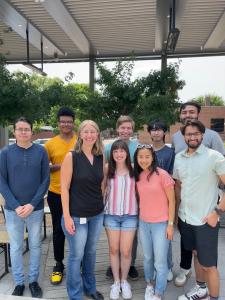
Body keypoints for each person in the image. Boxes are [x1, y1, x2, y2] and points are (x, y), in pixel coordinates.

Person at [172, 101, 225, 287]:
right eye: (188, 134)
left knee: (208, 261)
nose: (192, 137)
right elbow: (179, 183)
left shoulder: (213, 147)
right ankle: (197, 284)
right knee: (193, 251)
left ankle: (212, 294)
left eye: (195, 134)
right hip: (186, 211)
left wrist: (217, 210)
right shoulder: (178, 147)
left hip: (206, 209)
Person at [0, 117, 50, 298]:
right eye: (20, 129)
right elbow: (1, 181)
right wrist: (15, 205)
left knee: (36, 245)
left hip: (35, 209)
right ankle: (19, 283)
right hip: (13, 211)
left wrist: (31, 204)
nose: (23, 132)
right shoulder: (5, 153)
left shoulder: (41, 152)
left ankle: (34, 281)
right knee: (16, 246)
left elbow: (45, 180)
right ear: (14, 131)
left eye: (26, 129)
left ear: (31, 131)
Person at [61, 120, 105, 300]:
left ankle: (90, 287)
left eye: (93, 131)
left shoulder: (101, 156)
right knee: (76, 255)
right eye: (86, 131)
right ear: (80, 134)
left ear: (97, 134)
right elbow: (64, 187)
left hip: (96, 214)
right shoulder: (72, 156)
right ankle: (75, 294)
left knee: (91, 253)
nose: (89, 135)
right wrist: (67, 216)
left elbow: (102, 184)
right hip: (76, 215)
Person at [134, 144, 175, 300]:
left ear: (153, 157)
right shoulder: (137, 175)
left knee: (160, 261)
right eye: (140, 157)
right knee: (147, 258)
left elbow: (172, 201)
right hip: (144, 223)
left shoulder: (162, 174)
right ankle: (149, 284)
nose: (144, 160)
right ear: (136, 158)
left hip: (161, 224)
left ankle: (159, 291)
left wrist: (170, 225)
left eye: (147, 156)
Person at [44, 107, 77, 285]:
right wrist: (59, 166)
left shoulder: (80, 141)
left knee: (78, 229)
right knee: (58, 230)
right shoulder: (50, 144)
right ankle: (58, 264)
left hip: (77, 193)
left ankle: (77, 262)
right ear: (58, 123)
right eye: (63, 121)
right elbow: (44, 167)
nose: (66, 124)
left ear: (73, 123)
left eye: (69, 121)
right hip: (56, 192)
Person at [105, 115, 139, 280]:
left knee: (129, 244)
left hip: (131, 207)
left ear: (132, 129)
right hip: (112, 210)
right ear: (117, 128)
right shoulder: (109, 147)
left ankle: (130, 266)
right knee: (114, 246)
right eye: (122, 127)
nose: (125, 130)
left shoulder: (137, 147)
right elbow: (104, 177)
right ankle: (114, 269)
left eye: (128, 128)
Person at [147, 120, 175, 282]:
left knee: (166, 236)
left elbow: (172, 177)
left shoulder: (170, 153)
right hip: (147, 201)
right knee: (151, 239)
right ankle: (157, 267)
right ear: (149, 133)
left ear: (165, 132)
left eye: (159, 130)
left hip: (164, 200)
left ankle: (168, 266)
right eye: (153, 130)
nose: (156, 132)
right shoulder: (145, 151)